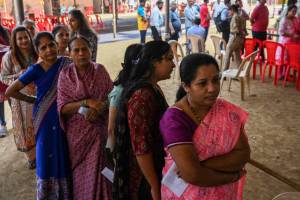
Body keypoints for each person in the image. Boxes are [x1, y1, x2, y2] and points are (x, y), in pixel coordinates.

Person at [160, 53, 250, 199]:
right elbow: (193, 175)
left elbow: (243, 154)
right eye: (202, 83)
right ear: (186, 86)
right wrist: (231, 177)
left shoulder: (226, 111)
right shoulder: (175, 120)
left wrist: (203, 164)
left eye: (215, 80)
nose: (212, 88)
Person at [5, 32, 72, 199]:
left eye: (51, 45)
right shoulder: (35, 69)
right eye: (43, 47)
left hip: (64, 114)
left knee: (63, 151)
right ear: (38, 51)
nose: (49, 50)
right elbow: (10, 90)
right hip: (43, 118)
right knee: (45, 154)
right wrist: (33, 100)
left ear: (56, 45)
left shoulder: (66, 63)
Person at [113, 41, 175, 200]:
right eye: (169, 59)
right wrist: (154, 185)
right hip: (144, 176)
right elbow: (141, 147)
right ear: (155, 62)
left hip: (155, 166)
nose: (173, 65)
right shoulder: (142, 96)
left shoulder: (152, 87)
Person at [57, 35, 113, 200]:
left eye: (84, 49)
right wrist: (86, 103)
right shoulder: (65, 76)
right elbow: (63, 107)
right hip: (79, 138)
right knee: (82, 177)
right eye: (76, 50)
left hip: (101, 133)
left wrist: (100, 107)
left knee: (105, 172)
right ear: (70, 53)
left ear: (91, 51)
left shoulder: (100, 70)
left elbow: (111, 97)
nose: (81, 53)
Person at [1, 26, 38, 168]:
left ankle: (40, 153)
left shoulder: (36, 53)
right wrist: (20, 76)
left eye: (25, 37)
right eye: (19, 38)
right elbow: (3, 77)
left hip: (37, 96)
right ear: (14, 41)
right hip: (19, 99)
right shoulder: (9, 57)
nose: (23, 41)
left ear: (30, 37)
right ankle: (31, 158)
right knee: (24, 129)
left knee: (37, 125)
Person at [107, 43, 143, 152]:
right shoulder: (119, 92)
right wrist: (114, 156)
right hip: (126, 148)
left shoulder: (142, 86)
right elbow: (111, 129)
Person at [223, 4, 246, 70]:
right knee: (238, 56)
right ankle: (240, 72)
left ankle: (224, 72)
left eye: (229, 11)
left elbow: (236, 29)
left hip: (234, 37)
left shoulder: (235, 17)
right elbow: (243, 28)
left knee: (227, 55)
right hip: (240, 38)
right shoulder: (240, 16)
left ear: (232, 10)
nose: (228, 12)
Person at [0, 24, 10, 137]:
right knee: (0, 100)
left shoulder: (5, 31)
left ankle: (18, 120)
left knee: (13, 96)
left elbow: (11, 46)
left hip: (7, 67)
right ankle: (2, 124)